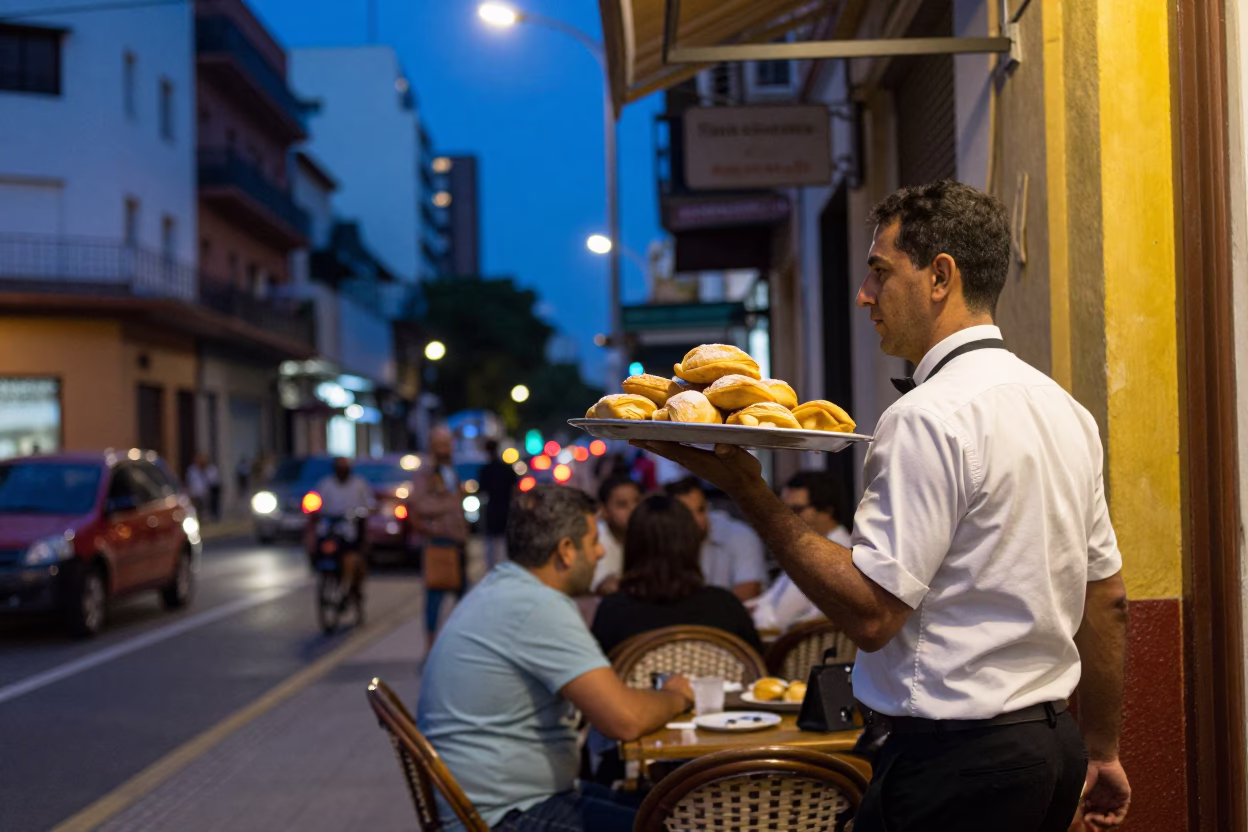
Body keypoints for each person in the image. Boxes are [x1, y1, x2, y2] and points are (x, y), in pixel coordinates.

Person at [635, 181, 1131, 831]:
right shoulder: (1065, 411)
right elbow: (1109, 601)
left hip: (958, 763)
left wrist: (749, 492)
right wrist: (1103, 749)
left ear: (940, 277)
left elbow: (871, 616)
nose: (865, 295)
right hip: (1050, 750)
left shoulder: (926, 415)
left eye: (879, 272)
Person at [417, 485, 695, 832]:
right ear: (566, 550)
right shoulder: (537, 606)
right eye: (593, 541)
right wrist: (676, 696)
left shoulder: (506, 588)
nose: (598, 553)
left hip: (501, 800)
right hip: (503, 816)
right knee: (677, 825)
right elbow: (623, 720)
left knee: (669, 812)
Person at [592, 494, 762, 656]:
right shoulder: (725, 606)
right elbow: (758, 672)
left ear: (633, 547)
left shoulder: (612, 612)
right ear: (691, 544)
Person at [749, 470, 852, 633]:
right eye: (782, 510)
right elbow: (768, 601)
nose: (786, 519)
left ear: (826, 511)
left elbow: (779, 618)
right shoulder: (808, 547)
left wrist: (751, 613)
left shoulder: (829, 553)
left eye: (796, 510)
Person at [408, 426, 468, 643]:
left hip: (457, 540)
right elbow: (418, 503)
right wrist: (447, 504)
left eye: (448, 443)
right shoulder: (426, 472)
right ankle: (431, 645)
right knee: (435, 594)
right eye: (441, 444)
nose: (446, 448)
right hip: (439, 540)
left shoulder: (451, 470)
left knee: (463, 596)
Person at [664, 477, 766, 602]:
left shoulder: (739, 535)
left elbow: (747, 593)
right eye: (687, 514)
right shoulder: (665, 538)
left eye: (701, 510)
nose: (698, 520)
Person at [312, 456, 376, 610]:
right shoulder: (325, 485)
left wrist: (361, 513)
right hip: (329, 529)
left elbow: (369, 505)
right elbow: (315, 504)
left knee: (353, 558)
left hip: (350, 530)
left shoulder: (359, 484)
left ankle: (349, 588)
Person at [588, 473, 641, 596]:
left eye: (637, 501)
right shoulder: (595, 542)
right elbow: (603, 586)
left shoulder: (647, 535)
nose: (633, 509)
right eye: (622, 504)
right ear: (604, 511)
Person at [477, 439, 518, 571]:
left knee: (492, 548)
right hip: (505, 509)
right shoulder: (506, 469)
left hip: (493, 510)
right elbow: (515, 489)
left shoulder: (486, 470)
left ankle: (495, 572)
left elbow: (482, 491)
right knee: (504, 546)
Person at [185, 453, 211, 520]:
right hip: (194, 493)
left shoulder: (205, 469)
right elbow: (189, 482)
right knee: (195, 508)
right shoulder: (192, 470)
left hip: (203, 492)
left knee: (203, 508)